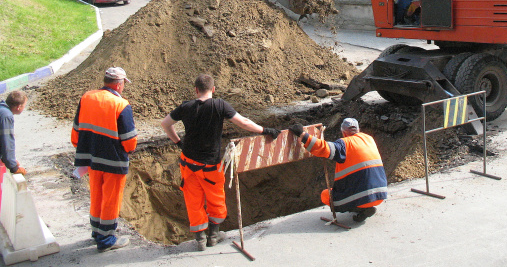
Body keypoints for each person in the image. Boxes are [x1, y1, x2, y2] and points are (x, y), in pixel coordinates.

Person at [161, 73, 281, 251]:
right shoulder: (219, 105)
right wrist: (265, 130)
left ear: (196, 90)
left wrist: (179, 142)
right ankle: (214, 235)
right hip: (210, 165)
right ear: (213, 89)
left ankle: (200, 239)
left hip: (188, 164)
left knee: (193, 201)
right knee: (216, 200)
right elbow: (243, 122)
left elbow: (165, 124)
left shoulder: (185, 107)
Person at [71, 67, 137, 253]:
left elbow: (76, 129)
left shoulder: (87, 97)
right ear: (118, 84)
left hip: (91, 159)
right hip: (113, 161)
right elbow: (129, 140)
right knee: (110, 200)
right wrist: (128, 151)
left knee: (96, 196)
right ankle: (106, 239)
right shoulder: (121, 104)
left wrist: (82, 147)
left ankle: (96, 232)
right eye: (124, 84)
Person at [289, 118, 387, 222]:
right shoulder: (369, 139)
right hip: (380, 194)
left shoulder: (344, 144)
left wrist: (302, 135)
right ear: (358, 130)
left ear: (344, 133)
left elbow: (324, 148)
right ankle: (364, 207)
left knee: (326, 195)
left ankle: (360, 209)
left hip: (363, 197)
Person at [0, 90, 28, 178]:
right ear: (19, 107)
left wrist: (11, 160)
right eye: (24, 106)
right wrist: (13, 167)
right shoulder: (6, 115)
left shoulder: (2, 109)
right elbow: (7, 141)